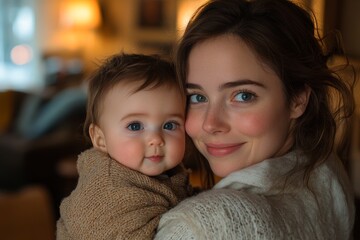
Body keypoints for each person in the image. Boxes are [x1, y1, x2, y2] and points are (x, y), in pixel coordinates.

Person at [155, 0, 356, 239]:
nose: (210, 123)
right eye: (197, 97)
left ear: (298, 99)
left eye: (242, 96)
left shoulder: (198, 228)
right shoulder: (326, 171)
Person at [56, 53, 191, 239]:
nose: (156, 139)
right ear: (100, 139)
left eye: (169, 125)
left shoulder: (168, 174)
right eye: (135, 126)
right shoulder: (107, 195)